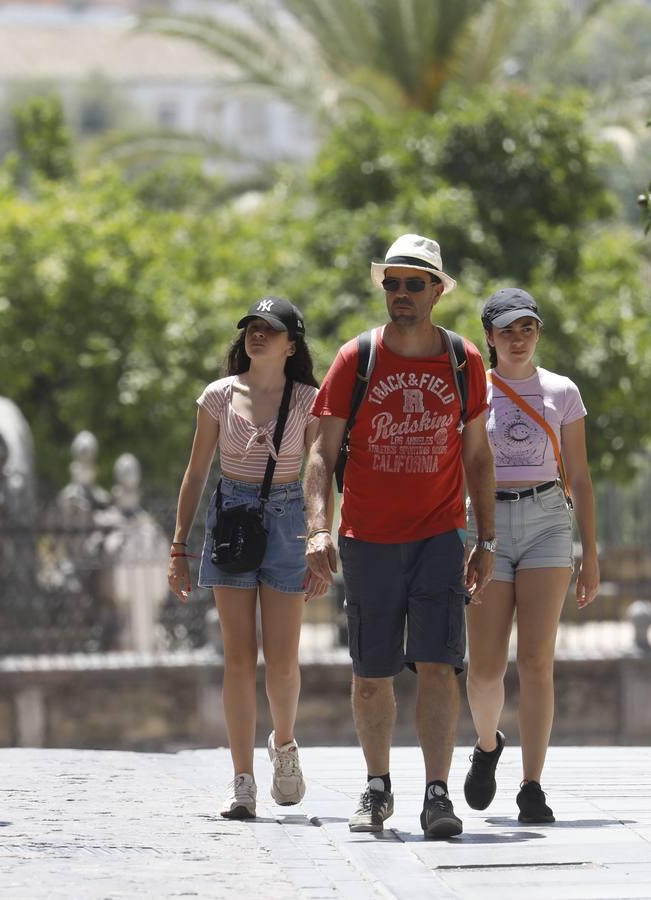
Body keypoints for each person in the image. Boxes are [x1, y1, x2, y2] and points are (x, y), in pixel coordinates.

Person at [303, 234, 495, 839]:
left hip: (439, 537)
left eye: (415, 283)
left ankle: (438, 796)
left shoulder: (464, 361)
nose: (402, 293)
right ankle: (378, 787)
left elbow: (480, 458)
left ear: (438, 290)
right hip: (367, 539)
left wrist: (485, 539)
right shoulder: (356, 358)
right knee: (370, 675)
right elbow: (319, 453)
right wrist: (317, 530)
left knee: (439, 667)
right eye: (392, 282)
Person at [168, 296, 321, 820]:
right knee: (237, 655)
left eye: (270, 329)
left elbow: (321, 473)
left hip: (288, 521)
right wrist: (179, 545)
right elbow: (195, 472)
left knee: (281, 658)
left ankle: (284, 745)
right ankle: (242, 781)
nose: (258, 335)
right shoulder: (218, 396)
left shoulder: (308, 400)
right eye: (252, 328)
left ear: (291, 344)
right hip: (232, 517)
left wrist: (324, 537)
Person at [461, 288, 600, 824]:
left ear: (538, 333)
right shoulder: (474, 392)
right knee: (486, 669)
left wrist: (590, 554)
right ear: (490, 338)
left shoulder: (562, 391)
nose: (518, 340)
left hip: (546, 521)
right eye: (506, 331)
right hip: (487, 525)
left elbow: (582, 479)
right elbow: (459, 469)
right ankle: (488, 742)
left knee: (538, 660)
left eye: (527, 329)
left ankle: (532, 786)